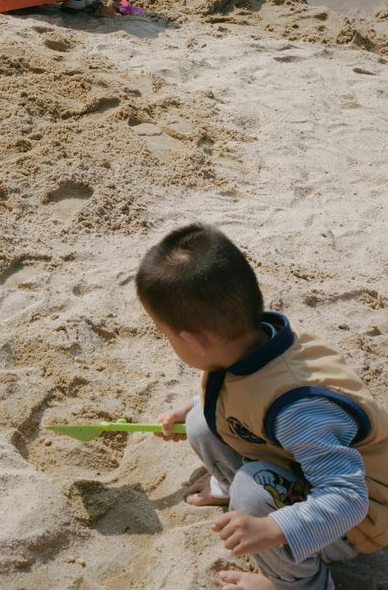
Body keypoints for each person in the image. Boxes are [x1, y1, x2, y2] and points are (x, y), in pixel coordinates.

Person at [135, 223, 388, 590]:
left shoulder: (298, 410)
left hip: (361, 515)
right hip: (304, 460)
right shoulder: (258, 338)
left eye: (167, 334)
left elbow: (348, 499)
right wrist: (190, 406)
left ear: (195, 339)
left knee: (253, 494)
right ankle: (231, 488)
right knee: (201, 422)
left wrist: (272, 527)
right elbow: (245, 391)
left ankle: (298, 585)